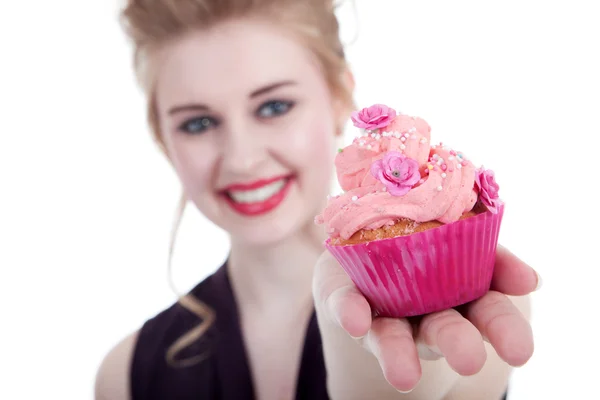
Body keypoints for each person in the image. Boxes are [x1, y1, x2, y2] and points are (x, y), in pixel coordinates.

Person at [95, 0, 540, 399]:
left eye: (273, 107)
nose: (243, 159)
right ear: (163, 140)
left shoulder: (476, 313)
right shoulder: (127, 377)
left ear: (338, 96)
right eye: (197, 124)